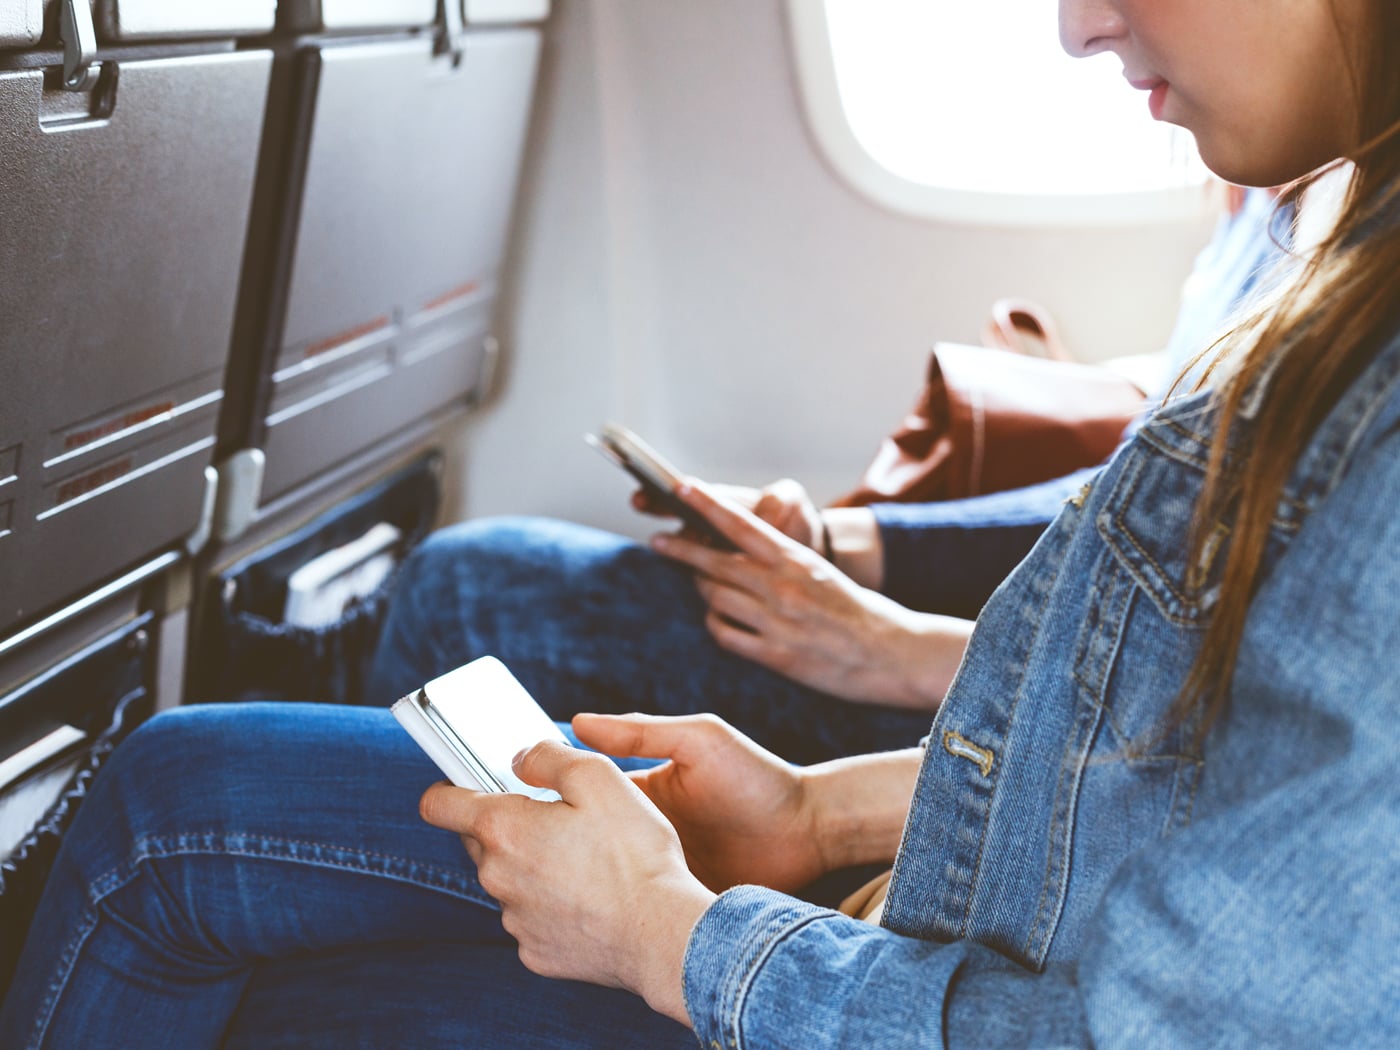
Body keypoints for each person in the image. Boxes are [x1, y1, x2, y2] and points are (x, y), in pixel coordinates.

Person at [4, 0, 1399, 1045]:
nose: (1078, 24)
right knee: (284, 744)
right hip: (936, 942)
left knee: (171, 829)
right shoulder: (1343, 265)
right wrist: (806, 809)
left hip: (910, 988)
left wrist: (674, 935)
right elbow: (1182, 760)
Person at [367, 186, 1294, 766]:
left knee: (467, 588)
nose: (1084, 31)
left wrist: (897, 647)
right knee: (474, 578)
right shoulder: (1267, 197)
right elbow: (1159, 483)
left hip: (1022, 695)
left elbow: (1205, 662)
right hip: (1009, 651)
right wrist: (840, 543)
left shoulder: (1345, 253)